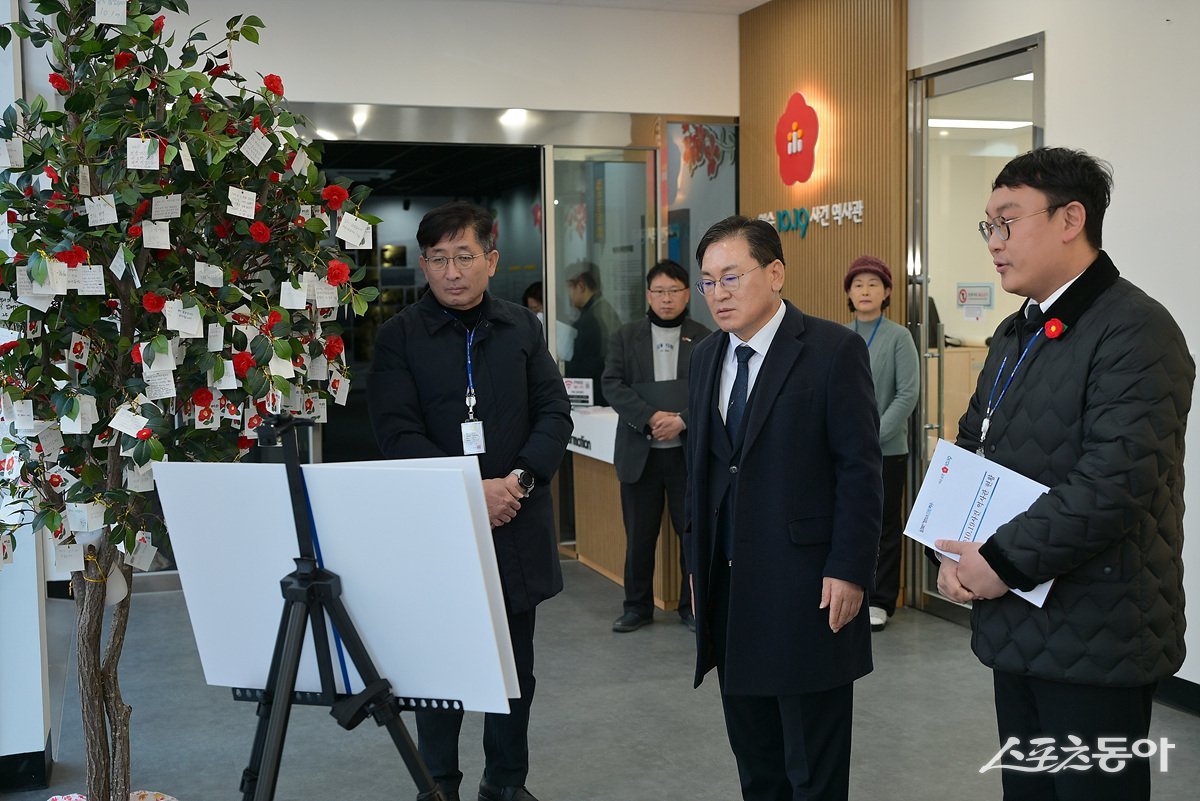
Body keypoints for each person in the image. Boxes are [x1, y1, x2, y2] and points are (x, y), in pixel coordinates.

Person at [935, 147, 1193, 801]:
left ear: (1070, 218)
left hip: (1099, 631)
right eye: (987, 226)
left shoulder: (1137, 330)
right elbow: (976, 443)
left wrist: (999, 557)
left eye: (1008, 221)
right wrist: (950, 546)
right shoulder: (1017, 331)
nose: (994, 242)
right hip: (1019, 621)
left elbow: (1114, 481)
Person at [367, 202, 573, 801]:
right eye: (437, 259)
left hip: (516, 523)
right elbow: (396, 434)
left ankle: (507, 785)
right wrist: (469, 493)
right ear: (424, 264)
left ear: (491, 260)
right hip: (438, 531)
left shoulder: (522, 328)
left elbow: (554, 414)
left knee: (514, 673)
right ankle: (440, 788)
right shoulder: (399, 336)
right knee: (441, 675)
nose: (451, 272)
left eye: (464, 257)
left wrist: (517, 484)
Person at [685, 216, 883, 801]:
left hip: (807, 587)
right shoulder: (704, 358)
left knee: (812, 764)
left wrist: (849, 567)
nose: (718, 294)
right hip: (729, 587)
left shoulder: (831, 350)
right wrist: (695, 566)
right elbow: (701, 471)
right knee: (757, 760)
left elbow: (860, 470)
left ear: (774, 274)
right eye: (708, 282)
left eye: (730, 277)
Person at [602, 259, 711, 633]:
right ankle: (637, 607)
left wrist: (682, 418)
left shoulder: (705, 336)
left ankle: (691, 606)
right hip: (640, 454)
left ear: (687, 294)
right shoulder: (625, 335)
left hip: (687, 456)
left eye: (675, 291)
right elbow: (612, 384)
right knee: (640, 537)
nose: (667, 299)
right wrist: (650, 417)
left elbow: (712, 390)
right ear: (648, 295)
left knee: (692, 535)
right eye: (659, 291)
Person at [843, 256, 919, 631]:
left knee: (885, 526)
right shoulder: (838, 336)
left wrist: (872, 437)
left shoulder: (899, 337)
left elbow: (907, 395)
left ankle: (882, 599)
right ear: (849, 294)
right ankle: (850, 591)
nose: (865, 291)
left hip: (887, 451)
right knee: (849, 522)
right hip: (843, 451)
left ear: (887, 291)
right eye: (858, 285)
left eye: (873, 284)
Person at [564, 265, 621, 406]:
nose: (569, 295)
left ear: (581, 286)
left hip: (595, 395)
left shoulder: (590, 319)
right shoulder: (604, 309)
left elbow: (586, 364)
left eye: (570, 288)